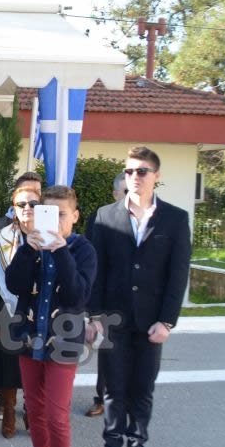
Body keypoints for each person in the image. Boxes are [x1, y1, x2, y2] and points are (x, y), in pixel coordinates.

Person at [86, 146, 191, 447]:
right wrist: (95, 317)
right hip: (113, 320)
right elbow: (95, 272)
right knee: (113, 389)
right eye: (129, 171)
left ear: (156, 176)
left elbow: (178, 274)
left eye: (142, 171)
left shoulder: (175, 219)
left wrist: (167, 321)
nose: (134, 177)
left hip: (151, 323)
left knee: (142, 389)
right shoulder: (104, 216)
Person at [4, 185, 96, 447]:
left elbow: (76, 296)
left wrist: (60, 251)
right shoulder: (32, 244)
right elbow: (14, 285)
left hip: (64, 342)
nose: (54, 220)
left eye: (61, 214)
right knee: (35, 410)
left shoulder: (82, 249)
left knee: (57, 416)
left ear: (74, 215)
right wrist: (28, 250)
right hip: (31, 338)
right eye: (48, 212)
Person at [0, 183, 40, 437]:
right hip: (7, 309)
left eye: (33, 204)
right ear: (13, 208)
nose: (27, 208)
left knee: (36, 362)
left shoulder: (52, 234)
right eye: (21, 204)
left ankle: (31, 410)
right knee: (9, 365)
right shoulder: (0, 238)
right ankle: (8, 411)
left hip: (40, 309)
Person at [83, 172, 127, 417]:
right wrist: (93, 312)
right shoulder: (100, 218)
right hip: (110, 300)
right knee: (109, 353)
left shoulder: (149, 220)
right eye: (125, 192)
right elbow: (94, 262)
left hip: (137, 302)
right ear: (115, 194)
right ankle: (103, 398)